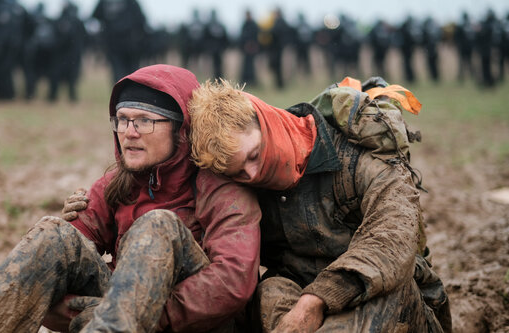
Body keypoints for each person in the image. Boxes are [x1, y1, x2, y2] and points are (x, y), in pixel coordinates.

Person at [0, 65, 261, 333]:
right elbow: (63, 257)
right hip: (116, 317)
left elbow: (232, 282)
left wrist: (151, 313)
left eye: (145, 121)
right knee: (52, 234)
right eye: (123, 119)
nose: (129, 132)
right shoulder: (118, 183)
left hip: (197, 323)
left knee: (158, 225)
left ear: (181, 129)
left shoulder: (221, 187)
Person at [187, 79, 451, 332]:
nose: (253, 174)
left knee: (387, 291)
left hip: (391, 298)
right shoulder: (249, 192)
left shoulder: (362, 154)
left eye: (254, 155)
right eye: (240, 172)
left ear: (268, 122)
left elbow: (391, 243)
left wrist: (316, 300)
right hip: (306, 303)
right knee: (270, 293)